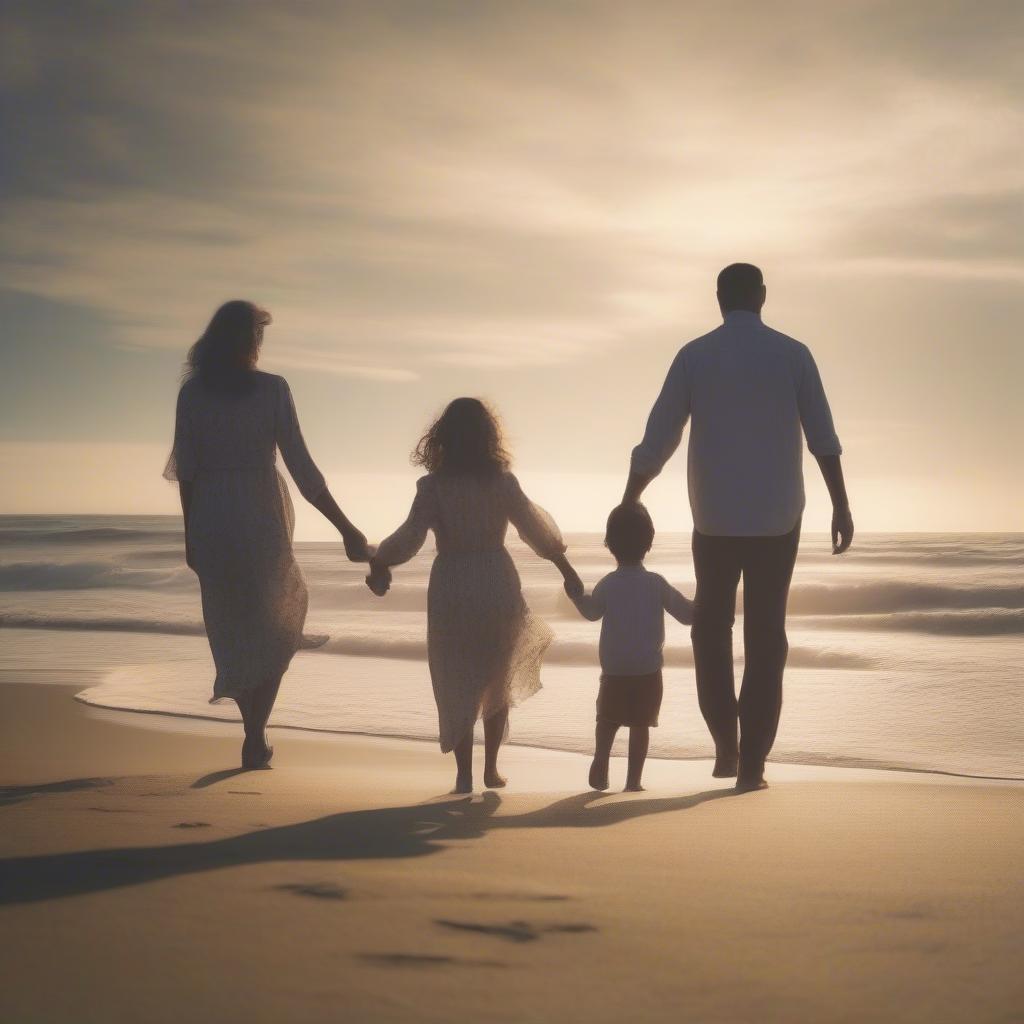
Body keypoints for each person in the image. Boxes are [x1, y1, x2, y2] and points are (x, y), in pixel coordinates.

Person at [623, 264, 852, 792]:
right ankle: (752, 763)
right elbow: (823, 436)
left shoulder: (694, 356)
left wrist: (630, 497)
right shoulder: (793, 354)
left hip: (716, 520)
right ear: (763, 297)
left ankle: (726, 744)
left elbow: (660, 434)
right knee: (767, 637)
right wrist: (840, 505)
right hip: (778, 519)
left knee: (710, 631)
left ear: (719, 298)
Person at [165, 300, 369, 770]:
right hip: (261, 513)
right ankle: (256, 733)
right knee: (278, 623)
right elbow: (302, 468)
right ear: (249, 340)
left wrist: (191, 535)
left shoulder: (193, 394)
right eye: (258, 335)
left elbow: (188, 473)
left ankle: (252, 731)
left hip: (212, 515)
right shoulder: (273, 390)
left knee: (234, 627)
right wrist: (346, 527)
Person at [365, 397, 582, 794]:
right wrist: (567, 572)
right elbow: (537, 530)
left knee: (458, 681)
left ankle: (464, 775)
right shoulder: (503, 483)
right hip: (496, 584)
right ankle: (491, 770)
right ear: (489, 438)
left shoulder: (433, 488)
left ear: (443, 438)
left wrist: (381, 562)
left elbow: (410, 536)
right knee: (496, 683)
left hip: (451, 587)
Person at [567, 503, 693, 792]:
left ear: (609, 544)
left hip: (614, 668)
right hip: (647, 669)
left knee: (607, 719)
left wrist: (576, 597)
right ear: (649, 542)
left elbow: (591, 612)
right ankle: (633, 781)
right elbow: (686, 614)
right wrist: (711, 603)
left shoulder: (609, 584)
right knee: (640, 725)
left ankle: (601, 759)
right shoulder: (656, 583)